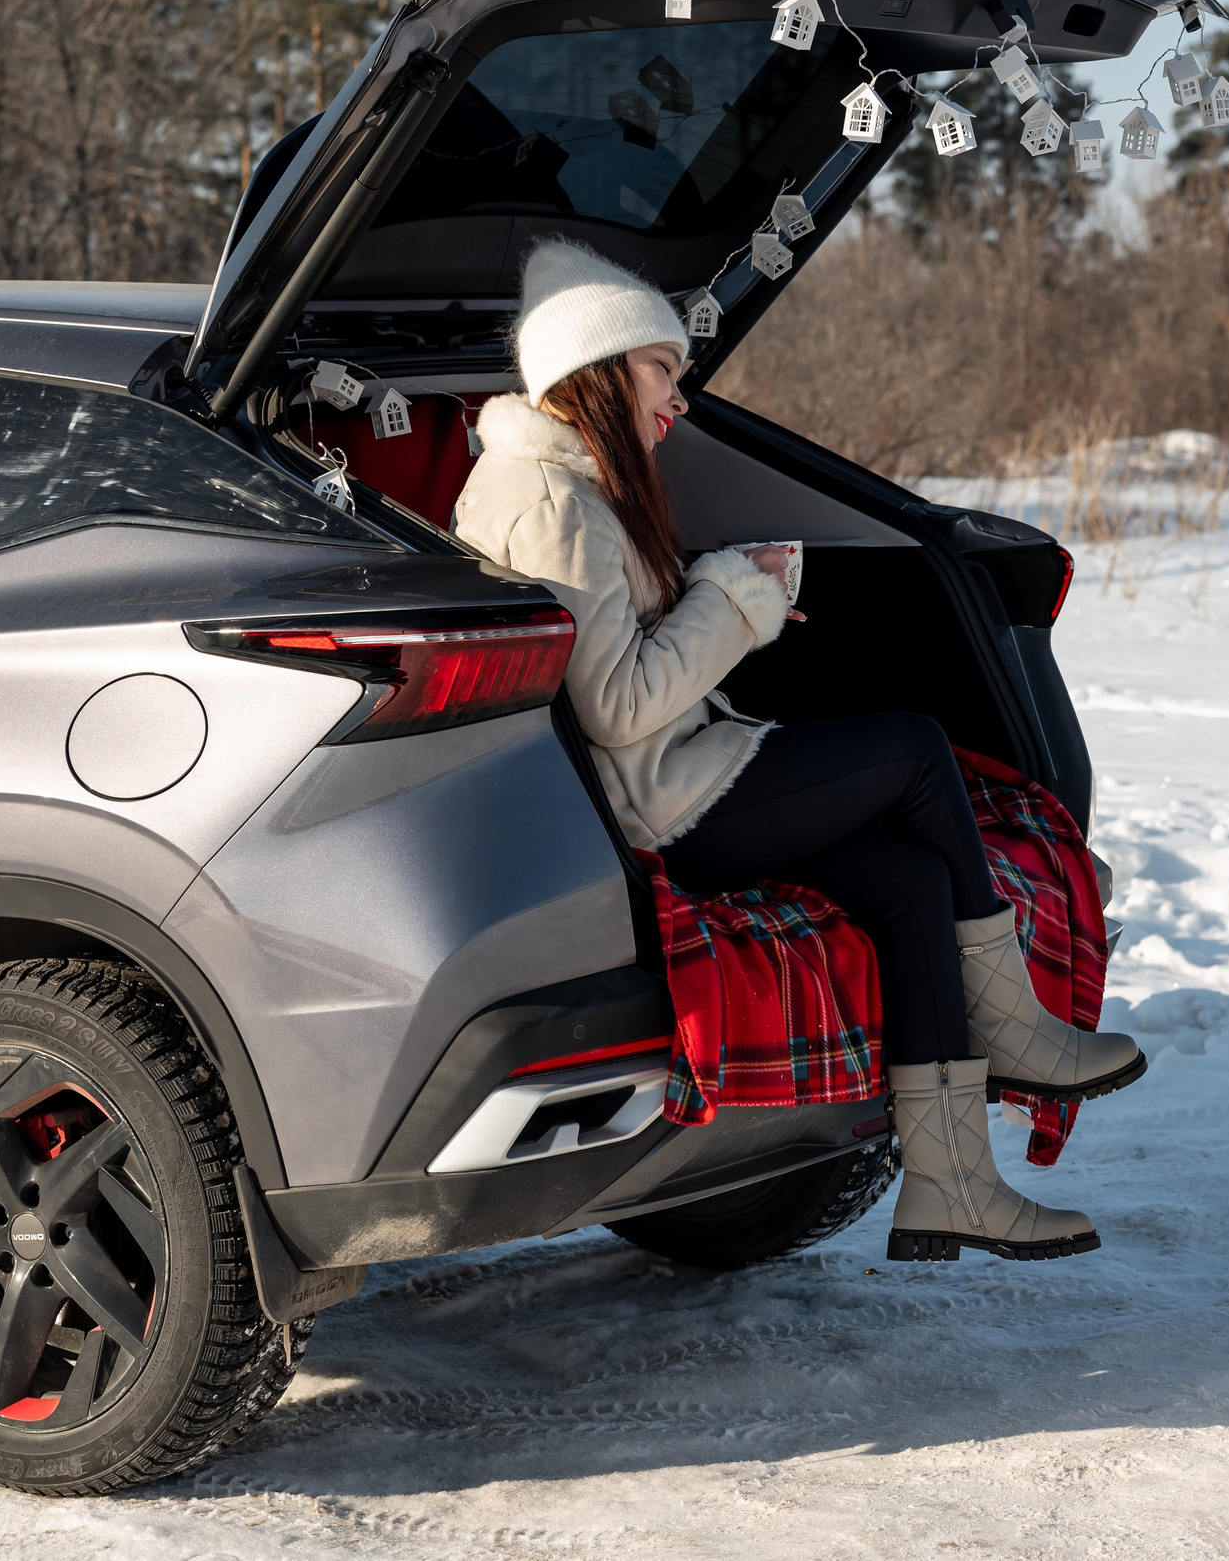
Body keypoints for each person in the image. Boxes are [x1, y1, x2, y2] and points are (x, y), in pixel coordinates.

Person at [452, 240, 1142, 1262]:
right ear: (595, 372)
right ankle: (1015, 1028)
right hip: (658, 802)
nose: (676, 399)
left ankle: (954, 1185)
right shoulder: (554, 502)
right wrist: (733, 597)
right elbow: (621, 703)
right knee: (912, 748)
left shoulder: (565, 486)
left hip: (665, 779)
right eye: (661, 370)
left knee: (909, 880)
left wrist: (722, 587)